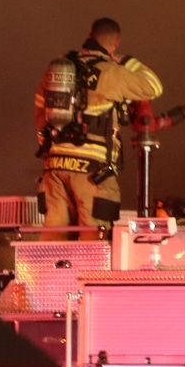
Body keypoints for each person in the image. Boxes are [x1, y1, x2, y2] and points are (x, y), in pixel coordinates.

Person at [35, 17, 162, 231]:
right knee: (94, 237)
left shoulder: (60, 68)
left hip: (54, 167)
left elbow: (40, 109)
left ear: (90, 35)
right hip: (92, 172)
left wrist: (50, 149)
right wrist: (126, 60)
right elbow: (154, 86)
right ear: (116, 42)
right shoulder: (110, 72)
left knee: (54, 235)